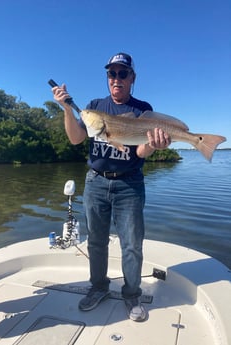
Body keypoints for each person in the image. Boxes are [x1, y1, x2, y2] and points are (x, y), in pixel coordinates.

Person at [52, 52, 171, 322]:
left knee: (132, 245)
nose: (116, 79)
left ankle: (131, 295)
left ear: (132, 78)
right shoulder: (95, 106)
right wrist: (67, 109)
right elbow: (75, 138)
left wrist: (154, 144)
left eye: (122, 73)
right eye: (111, 74)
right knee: (95, 241)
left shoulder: (143, 109)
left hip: (129, 184)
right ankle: (98, 288)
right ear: (107, 78)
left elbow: (140, 152)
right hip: (95, 182)